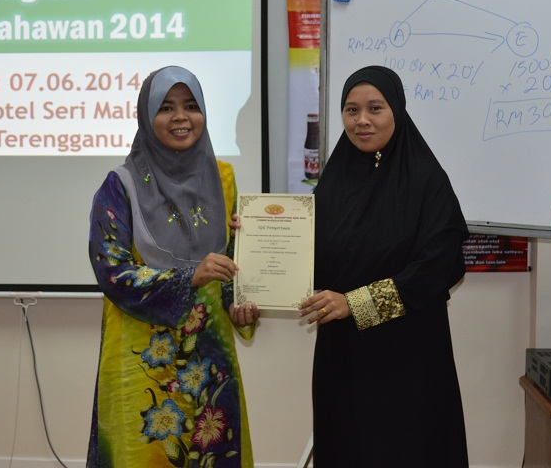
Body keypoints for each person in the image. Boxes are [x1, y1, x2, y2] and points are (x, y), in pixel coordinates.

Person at [86, 66, 259, 468]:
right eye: (165, 108)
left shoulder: (224, 178)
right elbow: (111, 270)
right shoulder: (120, 185)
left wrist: (242, 305)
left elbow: (231, 262)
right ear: (147, 116)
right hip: (142, 359)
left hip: (210, 355)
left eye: (191, 106)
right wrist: (187, 277)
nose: (181, 117)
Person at [298, 65, 469, 467]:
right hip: (343, 354)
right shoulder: (334, 182)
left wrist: (357, 304)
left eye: (375, 108)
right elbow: (308, 254)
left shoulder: (427, 180)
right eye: (351, 110)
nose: (362, 120)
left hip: (408, 355)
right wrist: (257, 238)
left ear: (397, 110)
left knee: (404, 449)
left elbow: (437, 268)